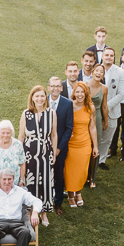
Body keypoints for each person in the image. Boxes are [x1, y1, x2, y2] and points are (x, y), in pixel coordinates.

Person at [17, 85, 55, 226]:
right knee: (30, 182)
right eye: (37, 96)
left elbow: (54, 135)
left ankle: (44, 212)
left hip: (46, 153)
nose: (40, 99)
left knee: (45, 182)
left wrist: (54, 153)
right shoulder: (26, 113)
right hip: (29, 153)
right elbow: (21, 136)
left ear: (46, 97)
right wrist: (19, 155)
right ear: (32, 98)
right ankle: (29, 212)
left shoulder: (51, 113)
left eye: (42, 96)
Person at [64, 83, 97, 204]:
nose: (80, 94)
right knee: (70, 171)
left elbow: (92, 127)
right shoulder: (69, 106)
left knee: (82, 170)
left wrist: (95, 146)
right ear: (74, 93)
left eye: (82, 92)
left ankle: (78, 192)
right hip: (71, 144)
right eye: (77, 92)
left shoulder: (90, 107)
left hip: (84, 144)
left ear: (86, 94)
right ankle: (70, 195)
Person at [48, 77, 74, 214]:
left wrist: (58, 148)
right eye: (52, 86)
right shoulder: (42, 101)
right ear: (48, 88)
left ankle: (58, 203)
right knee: (45, 174)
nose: (55, 89)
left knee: (58, 175)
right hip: (44, 146)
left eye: (58, 86)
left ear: (61, 88)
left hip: (60, 148)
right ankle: (44, 200)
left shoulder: (67, 103)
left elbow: (69, 128)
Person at [85, 63, 109, 184]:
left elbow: (104, 106)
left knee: (96, 146)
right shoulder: (84, 86)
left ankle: (92, 178)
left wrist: (106, 121)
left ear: (103, 75)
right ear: (92, 72)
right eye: (97, 71)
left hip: (98, 119)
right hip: (85, 118)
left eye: (101, 72)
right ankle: (83, 175)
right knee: (85, 146)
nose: (99, 73)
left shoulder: (104, 88)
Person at [0, 120, 24, 188]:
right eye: (3, 133)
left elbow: (22, 163)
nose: (5, 135)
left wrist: (22, 180)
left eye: (8, 133)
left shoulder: (18, 145)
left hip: (14, 183)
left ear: (12, 133)